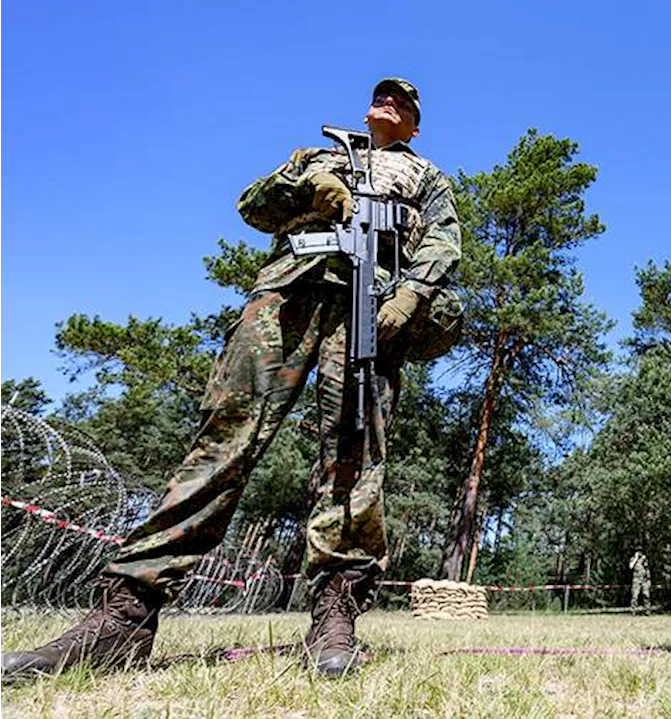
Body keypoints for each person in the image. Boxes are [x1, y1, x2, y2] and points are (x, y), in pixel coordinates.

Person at [0, 78, 463, 681]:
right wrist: (308, 185)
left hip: (367, 313)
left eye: (404, 103)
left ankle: (335, 614)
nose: (390, 104)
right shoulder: (320, 156)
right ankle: (124, 615)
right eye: (384, 96)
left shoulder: (427, 176)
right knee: (224, 440)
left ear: (415, 126)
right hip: (285, 299)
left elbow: (445, 242)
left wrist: (410, 294)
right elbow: (252, 205)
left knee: (354, 456)